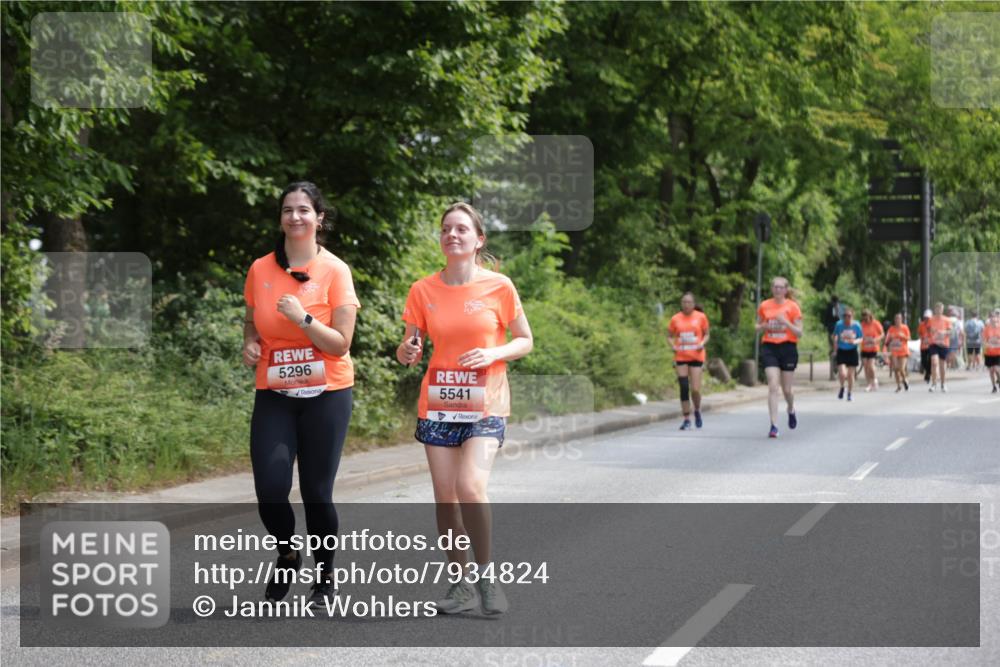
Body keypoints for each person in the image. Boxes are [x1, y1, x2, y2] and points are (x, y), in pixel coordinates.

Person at [397, 202, 533, 616]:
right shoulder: (423, 290)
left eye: (461, 229)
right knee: (445, 499)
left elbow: (525, 339)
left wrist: (494, 352)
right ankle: (460, 584)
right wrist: (406, 350)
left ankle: (487, 577)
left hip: (486, 403)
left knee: (470, 488)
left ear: (478, 240)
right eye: (446, 229)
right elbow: (409, 348)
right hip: (438, 403)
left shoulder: (499, 286)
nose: (452, 235)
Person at [242, 182, 361, 607]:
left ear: (319, 218)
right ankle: (288, 553)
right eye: (288, 210)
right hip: (274, 391)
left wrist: (304, 317)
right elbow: (251, 319)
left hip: (327, 392)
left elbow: (340, 342)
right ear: (281, 218)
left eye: (304, 210)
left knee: (316, 492)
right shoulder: (260, 269)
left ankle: (324, 575)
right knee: (271, 488)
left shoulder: (335, 270)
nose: (295, 217)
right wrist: (250, 342)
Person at [756, 276, 803, 438]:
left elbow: (799, 332)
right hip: (770, 347)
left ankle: (790, 408)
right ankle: (774, 425)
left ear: (786, 290)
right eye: (775, 287)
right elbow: (757, 326)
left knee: (787, 390)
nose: (777, 290)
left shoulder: (793, 307)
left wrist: (786, 322)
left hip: (788, 348)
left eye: (781, 287)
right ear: (771, 289)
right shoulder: (764, 306)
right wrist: (763, 326)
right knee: (773, 386)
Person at [668, 292, 710, 429]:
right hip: (681, 356)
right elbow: (669, 336)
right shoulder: (675, 319)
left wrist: (702, 343)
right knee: (684, 387)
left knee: (695, 390)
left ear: (693, 304)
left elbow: (707, 334)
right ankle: (686, 418)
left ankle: (697, 409)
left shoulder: (701, 317)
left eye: (689, 302)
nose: (686, 305)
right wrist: (673, 346)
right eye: (684, 302)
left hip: (696, 356)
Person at [832, 307, 862, 401]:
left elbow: (861, 338)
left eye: (849, 316)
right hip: (841, 350)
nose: (847, 318)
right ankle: (842, 387)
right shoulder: (839, 324)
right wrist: (835, 345)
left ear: (852, 316)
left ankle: (849, 393)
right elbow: (834, 335)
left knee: (850, 375)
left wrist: (855, 341)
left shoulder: (856, 325)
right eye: (845, 316)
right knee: (842, 373)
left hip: (852, 351)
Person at [927, 302, 953, 392]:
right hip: (934, 343)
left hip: (944, 344)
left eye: (940, 309)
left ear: (942, 310)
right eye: (937, 309)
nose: (939, 310)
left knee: (942, 365)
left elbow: (950, 332)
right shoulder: (931, 320)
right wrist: (932, 331)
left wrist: (944, 332)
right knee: (934, 362)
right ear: (935, 310)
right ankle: (933, 384)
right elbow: (929, 331)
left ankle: (943, 384)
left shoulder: (947, 320)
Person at [885, 313, 912, 392]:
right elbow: (887, 339)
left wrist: (902, 336)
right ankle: (898, 386)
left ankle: (904, 379)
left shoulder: (905, 328)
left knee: (901, 368)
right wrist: (889, 340)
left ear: (901, 320)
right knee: (896, 369)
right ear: (894, 320)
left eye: (899, 319)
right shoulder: (891, 329)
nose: (897, 320)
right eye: (896, 319)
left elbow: (909, 338)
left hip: (903, 351)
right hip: (894, 351)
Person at [859, 309, 884, 392]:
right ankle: (869, 384)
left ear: (870, 316)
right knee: (866, 366)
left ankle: (874, 380)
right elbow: (858, 335)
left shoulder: (876, 323)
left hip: (873, 348)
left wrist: (876, 339)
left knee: (871, 366)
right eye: (863, 317)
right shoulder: (862, 325)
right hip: (864, 348)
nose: (865, 319)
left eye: (866, 316)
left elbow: (882, 334)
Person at [983, 309, 1000, 393]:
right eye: (991, 317)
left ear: (997, 318)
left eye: (994, 317)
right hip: (989, 352)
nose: (993, 319)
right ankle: (994, 386)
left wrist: (997, 343)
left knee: (996, 369)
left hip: (998, 352)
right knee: (991, 370)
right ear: (989, 319)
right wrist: (987, 344)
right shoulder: (986, 329)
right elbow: (985, 340)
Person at [918, 309, 932, 383]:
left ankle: (928, 374)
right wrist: (922, 337)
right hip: (923, 345)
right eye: (925, 318)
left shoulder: (932, 324)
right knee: (923, 361)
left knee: (930, 361)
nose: (927, 319)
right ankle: (928, 372)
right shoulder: (921, 324)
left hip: (930, 345)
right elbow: (919, 333)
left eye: (928, 318)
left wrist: (930, 339)